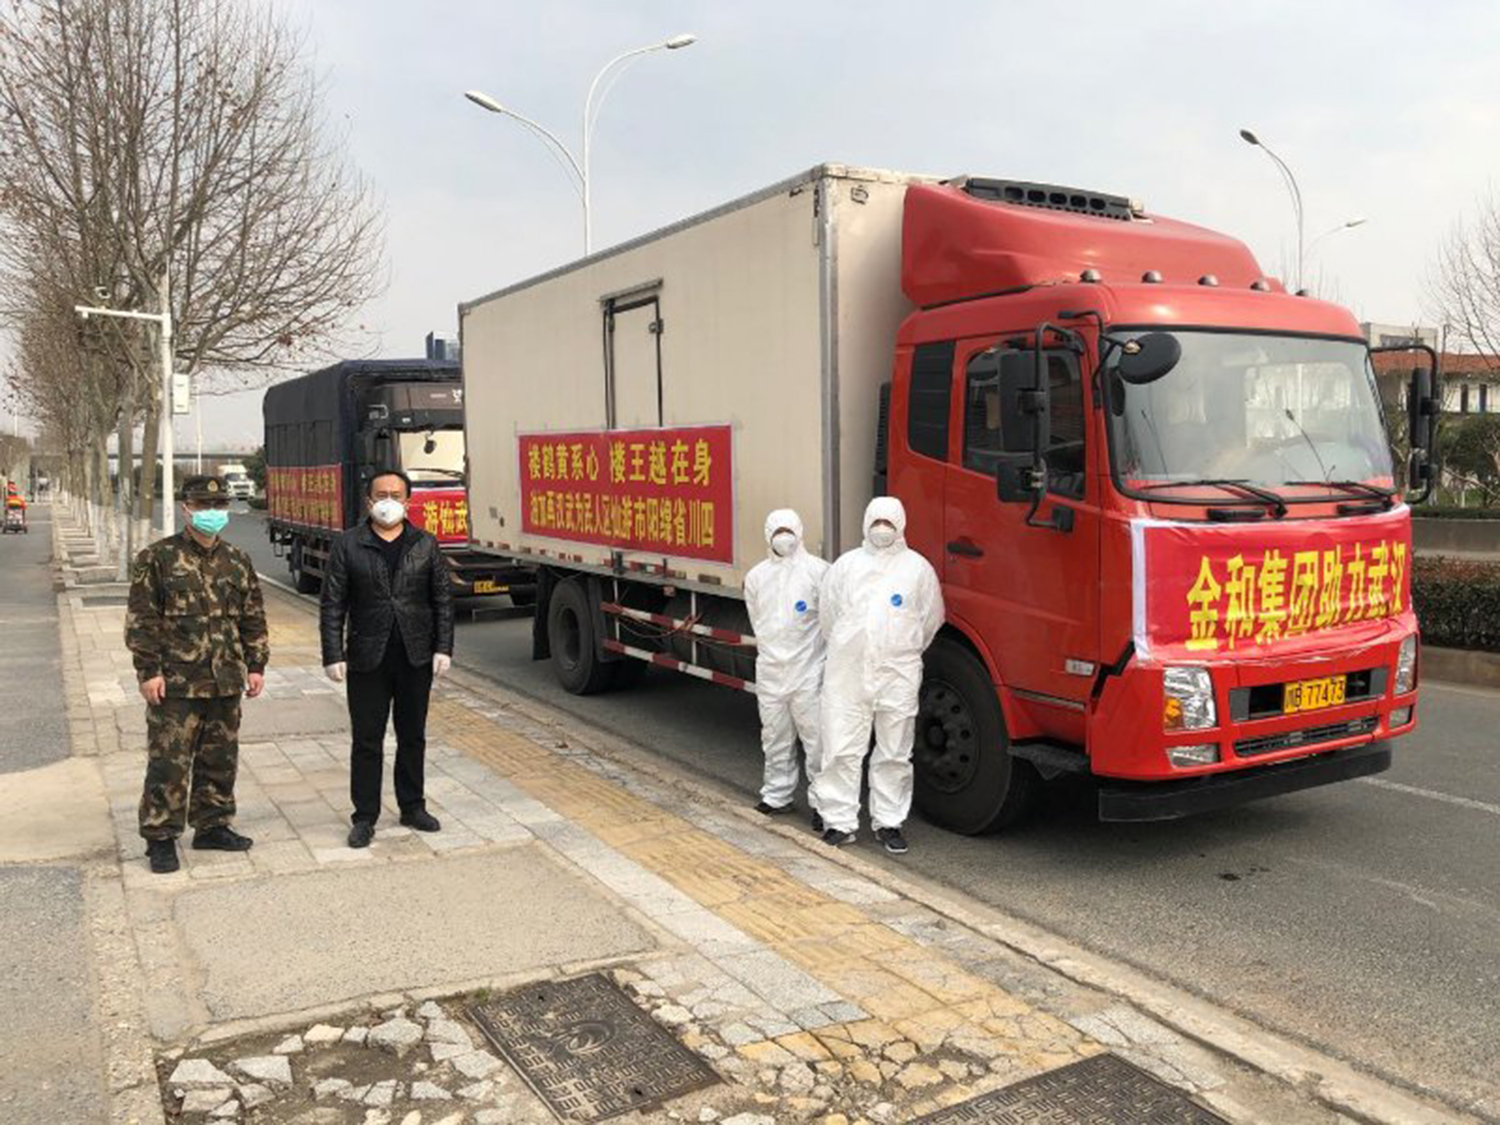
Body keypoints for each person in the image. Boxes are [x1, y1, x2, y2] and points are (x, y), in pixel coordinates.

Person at [125, 475, 269, 874]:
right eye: (203, 505)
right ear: (186, 508)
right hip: (176, 683)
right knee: (168, 762)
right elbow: (142, 621)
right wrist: (148, 671)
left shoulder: (237, 560)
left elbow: (253, 617)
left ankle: (213, 825)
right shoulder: (157, 558)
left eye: (218, 505)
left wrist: (256, 665)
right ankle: (160, 837)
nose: (212, 512)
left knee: (219, 758)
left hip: (226, 678)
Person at [320, 469, 454, 848]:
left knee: (412, 736)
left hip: (415, 655)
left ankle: (412, 806)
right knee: (367, 740)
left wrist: (443, 647)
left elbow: (442, 600)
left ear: (408, 501)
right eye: (381, 495)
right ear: (369, 501)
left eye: (396, 495)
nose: (388, 502)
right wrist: (333, 653)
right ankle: (364, 816)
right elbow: (333, 603)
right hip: (367, 656)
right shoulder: (348, 544)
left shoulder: (425, 544)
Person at [812, 497, 943, 855]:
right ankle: (839, 821)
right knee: (841, 746)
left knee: (894, 750)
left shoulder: (918, 570)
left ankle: (889, 821)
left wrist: (899, 650)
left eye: (888, 522)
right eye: (876, 522)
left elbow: (930, 620)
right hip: (848, 672)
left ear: (901, 524)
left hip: (897, 674)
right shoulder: (845, 566)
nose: (881, 529)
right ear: (865, 522)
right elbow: (828, 617)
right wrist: (853, 647)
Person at [743, 509, 830, 829]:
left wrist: (820, 663)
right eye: (778, 531)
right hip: (771, 670)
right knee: (774, 736)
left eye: (788, 530)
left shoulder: (819, 572)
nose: (784, 537)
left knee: (817, 741)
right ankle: (777, 795)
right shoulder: (756, 577)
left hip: (809, 671)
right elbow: (757, 621)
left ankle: (823, 804)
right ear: (768, 535)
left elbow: (830, 621)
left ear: (799, 532)